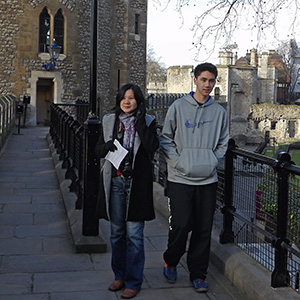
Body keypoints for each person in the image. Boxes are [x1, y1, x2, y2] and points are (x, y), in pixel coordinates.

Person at [160, 63, 229, 293]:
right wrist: (178, 162)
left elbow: (223, 143)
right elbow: (166, 138)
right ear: (195, 80)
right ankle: (171, 260)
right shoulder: (178, 107)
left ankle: (198, 273)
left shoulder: (219, 112)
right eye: (203, 80)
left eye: (211, 81)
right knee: (180, 225)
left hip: (207, 179)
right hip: (180, 178)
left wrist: (212, 161)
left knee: (203, 229)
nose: (207, 84)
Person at [95, 83, 159, 299]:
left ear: (138, 101)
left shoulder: (148, 121)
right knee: (117, 233)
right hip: (115, 182)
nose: (127, 101)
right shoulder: (109, 121)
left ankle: (133, 281)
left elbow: (152, 147)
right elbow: (97, 149)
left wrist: (140, 122)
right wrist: (105, 148)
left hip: (137, 185)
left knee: (135, 236)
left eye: (131, 98)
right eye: (124, 97)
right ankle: (119, 276)